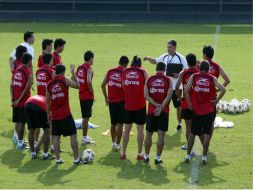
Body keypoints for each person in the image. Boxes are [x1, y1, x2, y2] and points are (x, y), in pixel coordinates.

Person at [184, 60, 226, 165]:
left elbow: (185, 91)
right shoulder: (212, 78)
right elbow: (223, 89)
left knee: (193, 133)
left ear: (200, 68)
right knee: (206, 133)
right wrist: (216, 101)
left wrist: (189, 104)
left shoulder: (194, 76)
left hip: (196, 111)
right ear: (208, 69)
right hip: (208, 110)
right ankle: (204, 157)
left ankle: (188, 155)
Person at [144, 39, 188, 133]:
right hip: (164, 87)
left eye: (170, 47)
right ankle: (160, 124)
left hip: (177, 87)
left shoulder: (181, 58)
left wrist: (179, 74)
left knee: (178, 106)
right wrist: (148, 58)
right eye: (167, 47)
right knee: (163, 105)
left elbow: (186, 70)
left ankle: (179, 124)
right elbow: (155, 61)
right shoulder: (164, 56)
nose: (168, 49)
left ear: (175, 47)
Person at [46, 64, 80, 165]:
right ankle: (76, 159)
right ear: (63, 72)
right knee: (73, 135)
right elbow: (77, 86)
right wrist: (73, 73)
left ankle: (57, 159)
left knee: (56, 136)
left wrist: (48, 114)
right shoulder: (64, 79)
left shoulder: (49, 84)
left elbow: (47, 101)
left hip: (55, 115)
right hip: (66, 114)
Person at [143, 62, 173, 165]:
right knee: (161, 135)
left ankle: (146, 157)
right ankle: (158, 158)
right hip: (164, 111)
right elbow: (169, 96)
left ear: (156, 68)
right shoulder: (168, 80)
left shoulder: (149, 79)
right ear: (164, 69)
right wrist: (161, 107)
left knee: (149, 134)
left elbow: (146, 95)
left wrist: (155, 105)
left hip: (151, 111)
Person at [120, 56, 148, 160]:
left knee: (126, 130)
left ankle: (123, 153)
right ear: (140, 64)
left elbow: (123, 87)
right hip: (140, 105)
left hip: (128, 106)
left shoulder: (125, 71)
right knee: (140, 130)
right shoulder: (143, 72)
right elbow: (147, 87)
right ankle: (140, 154)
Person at [101, 56, 129, 151]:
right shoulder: (124, 72)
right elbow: (126, 87)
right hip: (122, 102)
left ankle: (113, 143)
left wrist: (106, 98)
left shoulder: (110, 71)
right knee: (120, 125)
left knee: (113, 124)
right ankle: (117, 144)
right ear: (126, 64)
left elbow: (102, 85)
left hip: (111, 102)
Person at [202, 45, 230, 140]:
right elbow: (227, 80)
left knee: (198, 121)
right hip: (212, 98)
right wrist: (217, 89)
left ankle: (198, 142)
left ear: (204, 55)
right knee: (211, 121)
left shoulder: (201, 65)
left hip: (200, 97)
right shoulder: (217, 66)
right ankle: (207, 142)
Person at [175, 53, 199, 150]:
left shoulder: (183, 73)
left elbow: (176, 86)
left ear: (187, 62)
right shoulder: (199, 72)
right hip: (198, 104)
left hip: (186, 104)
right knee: (198, 125)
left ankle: (190, 147)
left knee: (188, 126)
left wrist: (179, 97)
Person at [10, 53, 33, 150]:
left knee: (19, 121)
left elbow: (11, 85)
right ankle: (20, 143)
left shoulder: (17, 70)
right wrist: (19, 99)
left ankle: (20, 140)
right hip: (22, 102)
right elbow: (27, 88)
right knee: (22, 122)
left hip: (15, 100)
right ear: (29, 61)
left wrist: (13, 98)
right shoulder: (27, 72)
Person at [24, 95, 53, 160]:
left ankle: (33, 153)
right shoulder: (51, 103)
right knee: (47, 130)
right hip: (39, 107)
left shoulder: (43, 97)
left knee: (31, 130)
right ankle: (45, 154)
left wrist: (38, 146)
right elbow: (49, 128)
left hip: (27, 105)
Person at [76, 51, 96, 145]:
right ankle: (84, 137)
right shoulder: (89, 68)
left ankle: (85, 136)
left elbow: (75, 78)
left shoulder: (80, 67)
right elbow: (88, 81)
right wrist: (92, 91)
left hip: (81, 94)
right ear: (91, 58)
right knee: (86, 117)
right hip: (87, 96)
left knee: (85, 117)